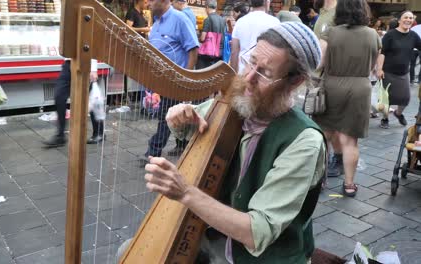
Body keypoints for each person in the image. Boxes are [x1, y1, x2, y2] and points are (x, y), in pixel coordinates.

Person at [140, 22, 326, 263]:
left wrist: (185, 192)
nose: (249, 77)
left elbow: (256, 232)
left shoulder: (304, 141)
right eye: (251, 61)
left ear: (295, 82)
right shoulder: (239, 104)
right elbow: (190, 124)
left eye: (265, 73)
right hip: (216, 238)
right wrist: (178, 114)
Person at [312, 0, 380, 197]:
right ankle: (349, 185)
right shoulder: (372, 34)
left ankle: (320, 179)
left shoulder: (330, 33)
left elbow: (320, 61)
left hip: (332, 85)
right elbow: (372, 67)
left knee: (324, 135)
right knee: (350, 141)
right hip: (360, 87)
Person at [142, 0, 199, 160]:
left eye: (152, 0)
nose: (148, 4)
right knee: (174, 115)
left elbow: (193, 49)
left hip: (176, 81)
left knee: (165, 116)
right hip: (162, 80)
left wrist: (185, 77)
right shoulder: (156, 22)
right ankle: (182, 145)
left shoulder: (180, 19)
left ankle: (153, 150)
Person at [377, 11, 421, 129]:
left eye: (411, 18)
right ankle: (385, 119)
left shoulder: (413, 36)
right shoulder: (390, 35)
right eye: (406, 17)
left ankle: (398, 113)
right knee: (387, 99)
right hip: (388, 72)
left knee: (405, 98)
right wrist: (379, 69)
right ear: (399, 20)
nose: (408, 20)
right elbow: (382, 53)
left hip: (404, 73)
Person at [42, 59, 100, 147]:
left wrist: (94, 69)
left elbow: (94, 45)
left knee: (92, 96)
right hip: (69, 63)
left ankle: (99, 132)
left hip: (84, 61)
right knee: (59, 96)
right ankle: (60, 136)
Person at [230, 0, 279, 73]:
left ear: (250, 3)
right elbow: (277, 50)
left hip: (243, 70)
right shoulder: (274, 22)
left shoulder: (240, 22)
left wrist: (233, 74)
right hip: (265, 72)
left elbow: (234, 51)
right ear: (266, 2)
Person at [196, 0, 226, 69]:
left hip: (209, 52)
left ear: (207, 7)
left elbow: (203, 38)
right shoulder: (222, 19)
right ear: (215, 8)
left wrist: (198, 38)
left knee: (202, 71)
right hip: (220, 52)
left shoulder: (208, 19)